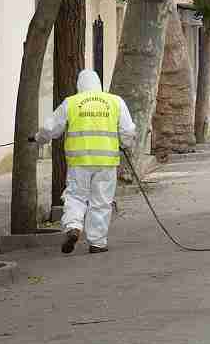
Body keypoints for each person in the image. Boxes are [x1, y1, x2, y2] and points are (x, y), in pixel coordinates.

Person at [34, 70, 137, 254]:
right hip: (106, 161)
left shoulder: (71, 103)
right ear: (98, 84)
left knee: (75, 196)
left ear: (79, 85)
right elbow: (128, 131)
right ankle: (97, 243)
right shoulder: (115, 101)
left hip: (79, 162)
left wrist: (38, 139)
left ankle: (73, 226)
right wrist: (124, 143)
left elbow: (50, 128)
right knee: (102, 201)